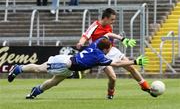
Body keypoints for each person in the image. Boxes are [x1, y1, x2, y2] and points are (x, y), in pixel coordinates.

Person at [8, 37, 151, 99]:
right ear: (106, 48)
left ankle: (35, 91)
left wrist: (120, 39)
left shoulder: (96, 43)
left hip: (70, 67)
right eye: (110, 48)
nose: (110, 50)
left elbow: (106, 36)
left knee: (54, 82)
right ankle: (18, 69)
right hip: (65, 63)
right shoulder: (99, 57)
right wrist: (134, 62)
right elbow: (116, 64)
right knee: (39, 69)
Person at [76, 8, 153, 99]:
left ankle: (145, 86)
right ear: (105, 18)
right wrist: (81, 43)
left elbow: (110, 35)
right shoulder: (95, 26)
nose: (113, 21)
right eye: (112, 19)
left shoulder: (109, 26)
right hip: (100, 54)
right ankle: (110, 93)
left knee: (131, 67)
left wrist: (123, 40)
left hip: (112, 49)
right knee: (113, 77)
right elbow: (85, 35)